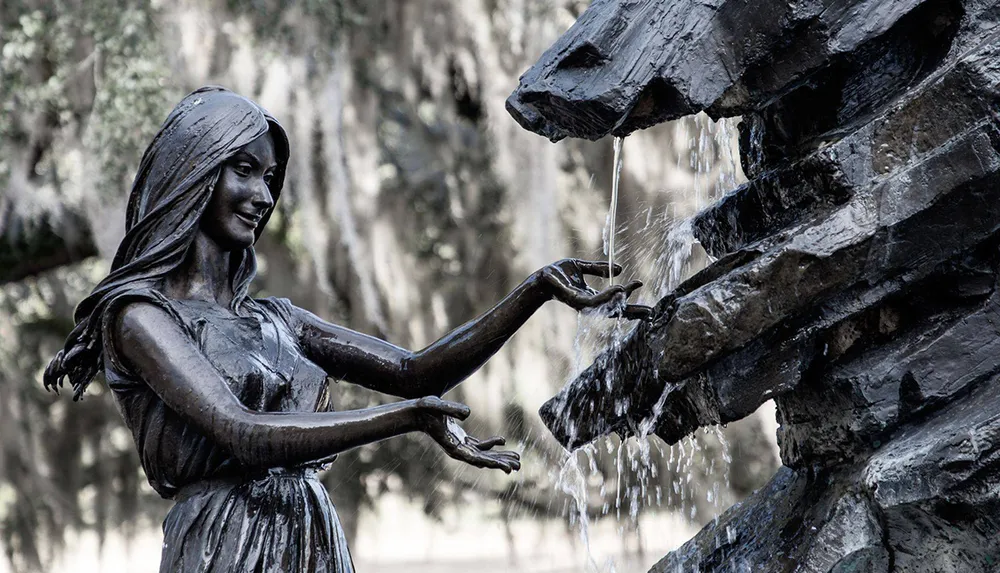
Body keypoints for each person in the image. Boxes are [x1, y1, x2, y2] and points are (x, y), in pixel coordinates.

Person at [43, 86, 650, 572]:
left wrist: (535, 291)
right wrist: (405, 419)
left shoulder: (276, 320)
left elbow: (417, 370)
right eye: (244, 170)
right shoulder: (140, 318)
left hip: (311, 532)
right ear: (195, 173)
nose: (262, 194)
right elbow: (244, 433)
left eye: (270, 178)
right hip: (224, 542)